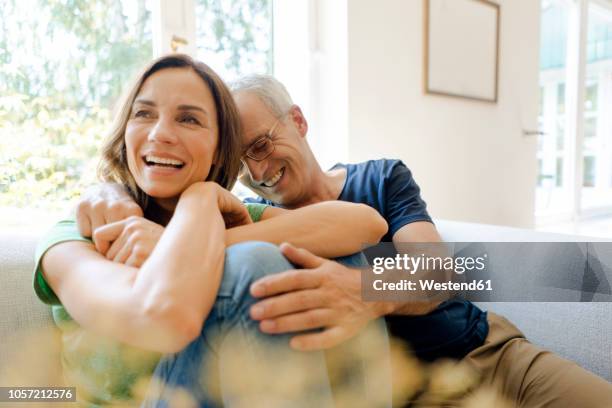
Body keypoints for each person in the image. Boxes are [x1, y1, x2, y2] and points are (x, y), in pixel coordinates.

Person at [78, 74, 612, 407]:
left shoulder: (379, 179)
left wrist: (361, 290)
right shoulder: (253, 220)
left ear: (299, 121)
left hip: (489, 353)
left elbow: (443, 271)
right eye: (242, 162)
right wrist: (114, 196)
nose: (260, 169)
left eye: (264, 143)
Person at [34, 55, 391, 407]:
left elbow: (367, 226)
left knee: (343, 258)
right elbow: (161, 319)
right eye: (143, 114)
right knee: (254, 260)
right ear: (125, 133)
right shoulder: (77, 235)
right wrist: (196, 211)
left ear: (220, 152)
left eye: (188, 119)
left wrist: (196, 216)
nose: (161, 133)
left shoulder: (228, 213)